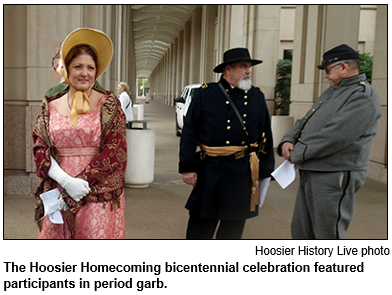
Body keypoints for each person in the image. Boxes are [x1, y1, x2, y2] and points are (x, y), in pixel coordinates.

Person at [277, 44, 382, 239]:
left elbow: (335, 136)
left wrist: (297, 153)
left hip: (334, 174)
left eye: (327, 70)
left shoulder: (362, 96)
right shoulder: (333, 91)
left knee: (327, 235)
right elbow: (305, 121)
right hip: (313, 169)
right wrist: (288, 140)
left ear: (343, 67)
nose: (325, 75)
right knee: (302, 232)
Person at [33, 28, 127, 239]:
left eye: (90, 67)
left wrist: (81, 183)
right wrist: (66, 182)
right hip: (58, 191)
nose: (84, 72)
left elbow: (115, 151)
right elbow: (40, 147)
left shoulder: (109, 104)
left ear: (97, 71)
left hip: (97, 192)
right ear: (66, 69)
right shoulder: (50, 104)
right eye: (78, 66)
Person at [179, 47, 275, 239]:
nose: (248, 71)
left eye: (249, 67)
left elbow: (265, 134)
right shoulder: (205, 94)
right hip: (210, 169)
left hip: (242, 172)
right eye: (243, 67)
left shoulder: (256, 96)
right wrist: (188, 167)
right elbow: (189, 132)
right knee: (201, 225)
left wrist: (265, 170)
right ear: (228, 70)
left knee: (233, 228)